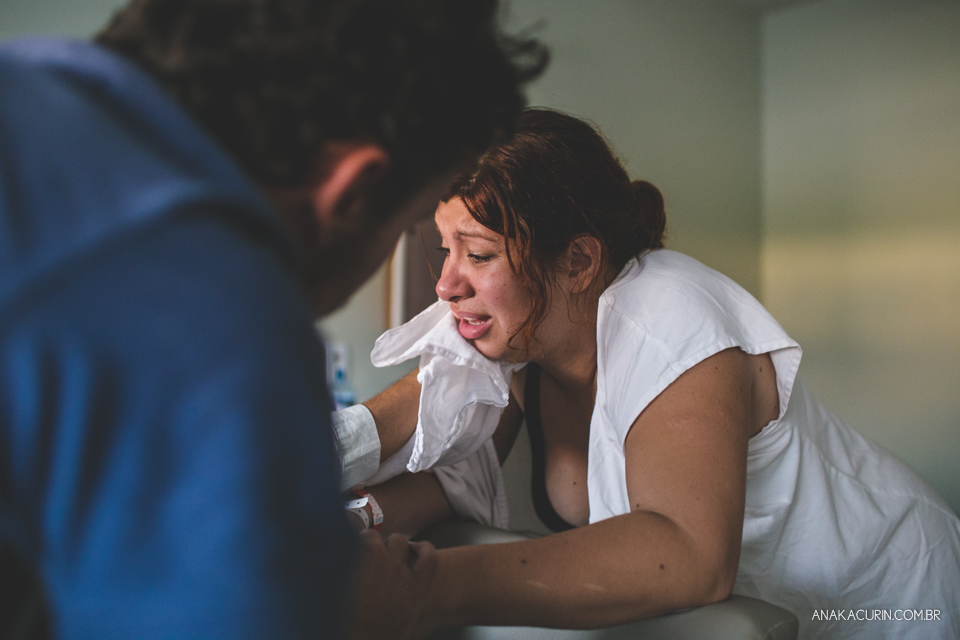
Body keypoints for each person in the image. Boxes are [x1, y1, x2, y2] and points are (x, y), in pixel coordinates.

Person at [0, 0, 545, 638]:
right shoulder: (209, 308)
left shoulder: (28, 84)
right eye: (408, 230)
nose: (446, 284)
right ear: (354, 189)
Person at [338, 108, 960, 639]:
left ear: (579, 260)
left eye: (478, 254)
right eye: (446, 250)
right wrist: (342, 523)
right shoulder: (522, 339)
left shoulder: (672, 315)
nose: (447, 284)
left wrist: (422, 586)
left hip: (891, 595)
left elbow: (686, 552)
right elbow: (450, 478)